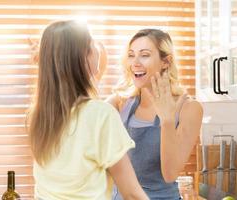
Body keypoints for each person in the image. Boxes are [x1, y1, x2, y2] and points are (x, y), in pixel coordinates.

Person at [27, 20, 148, 200]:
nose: (98, 47)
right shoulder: (101, 115)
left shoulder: (38, 115)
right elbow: (131, 194)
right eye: (92, 43)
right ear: (81, 57)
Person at [107, 29, 203, 199]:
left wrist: (166, 120)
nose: (135, 63)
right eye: (131, 55)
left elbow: (170, 174)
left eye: (144, 55)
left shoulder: (189, 108)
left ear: (166, 61)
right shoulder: (120, 103)